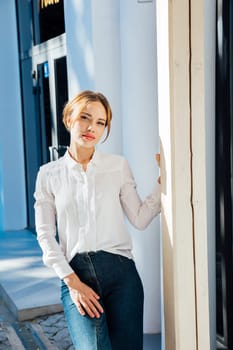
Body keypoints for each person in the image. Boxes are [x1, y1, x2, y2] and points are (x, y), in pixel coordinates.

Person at [34, 90, 161, 350]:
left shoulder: (117, 166)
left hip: (122, 275)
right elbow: (46, 234)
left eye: (101, 122)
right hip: (77, 274)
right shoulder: (48, 174)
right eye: (85, 117)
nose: (92, 127)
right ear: (69, 119)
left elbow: (139, 218)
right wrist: (73, 283)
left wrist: (164, 182)